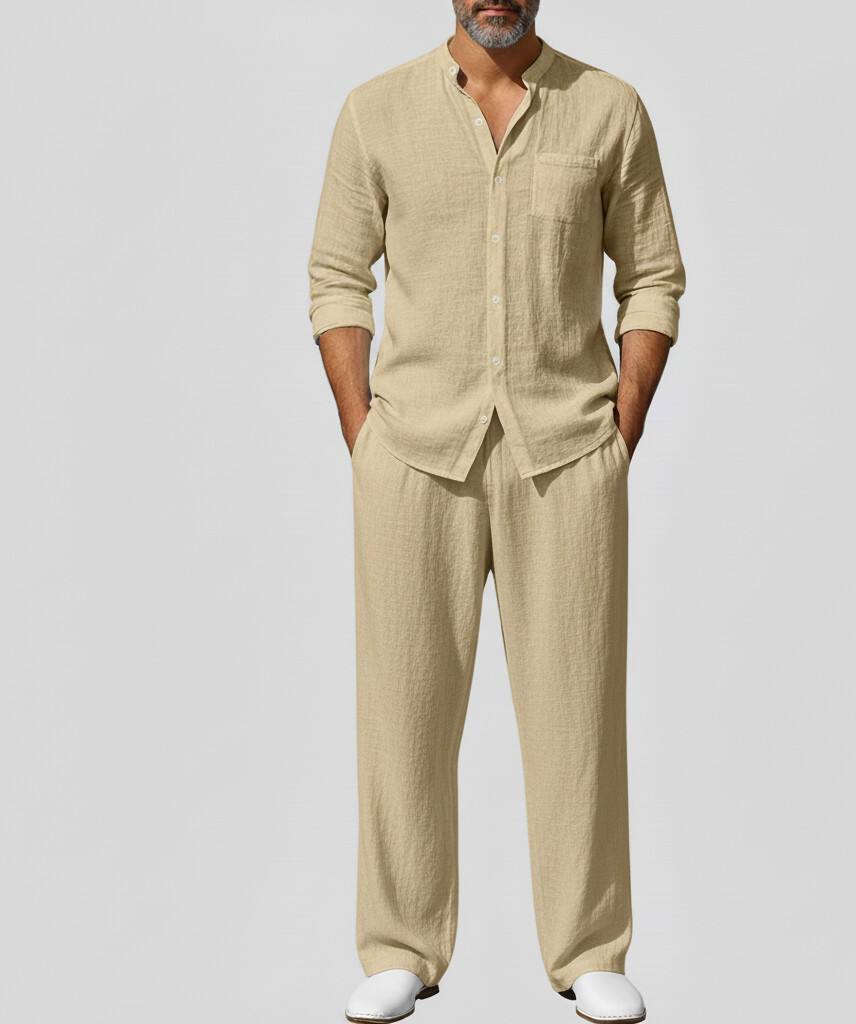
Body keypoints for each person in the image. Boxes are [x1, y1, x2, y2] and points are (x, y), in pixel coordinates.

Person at [307, 2, 685, 1021]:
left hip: (565, 454)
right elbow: (337, 277)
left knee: (578, 713)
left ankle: (589, 949)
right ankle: (400, 947)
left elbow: (652, 277)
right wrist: (362, 431)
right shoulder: (374, 111)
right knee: (402, 712)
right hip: (413, 454)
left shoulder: (609, 109)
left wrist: (621, 427)